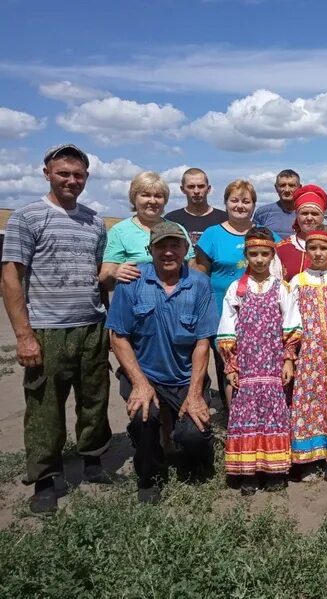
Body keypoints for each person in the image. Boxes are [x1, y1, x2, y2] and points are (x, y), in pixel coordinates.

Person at [1, 143, 111, 514]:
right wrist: (24, 335)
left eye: (78, 175)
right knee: (45, 406)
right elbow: (11, 278)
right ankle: (46, 477)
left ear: (86, 178)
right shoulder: (27, 217)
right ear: (46, 172)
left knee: (94, 399)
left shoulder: (94, 221)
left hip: (91, 325)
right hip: (47, 329)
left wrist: (108, 323)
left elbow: (98, 277)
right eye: (63, 173)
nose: (71, 180)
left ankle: (93, 457)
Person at [105, 222, 218, 504]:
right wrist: (140, 384)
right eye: (161, 246)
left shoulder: (200, 284)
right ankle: (149, 475)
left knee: (193, 436)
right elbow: (118, 337)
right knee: (145, 416)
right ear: (149, 249)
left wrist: (194, 394)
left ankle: (192, 456)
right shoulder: (131, 282)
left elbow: (202, 342)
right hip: (145, 373)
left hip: (184, 377)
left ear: (185, 249)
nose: (168, 252)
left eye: (174, 245)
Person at [216, 228, 302, 494]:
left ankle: (274, 470)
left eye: (265, 253)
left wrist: (288, 360)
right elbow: (227, 328)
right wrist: (231, 365)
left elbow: (292, 325)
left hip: (273, 364)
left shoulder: (282, 288)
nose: (260, 259)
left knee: (274, 414)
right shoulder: (236, 288)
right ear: (246, 255)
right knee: (247, 415)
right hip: (248, 364)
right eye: (254, 254)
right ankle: (249, 471)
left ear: (272, 254)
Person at [195, 179, 279, 407]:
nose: (240, 205)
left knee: (261, 368)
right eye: (234, 200)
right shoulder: (212, 234)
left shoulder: (266, 234)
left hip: (262, 318)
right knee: (229, 368)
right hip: (223, 312)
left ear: (253, 205)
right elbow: (201, 273)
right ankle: (233, 418)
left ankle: (261, 419)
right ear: (225, 203)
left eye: (246, 201)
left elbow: (280, 269)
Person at [286, 225, 327, 481]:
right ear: (307, 249)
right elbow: (290, 321)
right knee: (305, 403)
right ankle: (305, 458)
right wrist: (291, 353)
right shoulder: (297, 281)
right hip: (307, 355)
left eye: (323, 247)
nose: (317, 252)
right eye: (312, 247)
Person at [100, 171, 195, 287]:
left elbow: (192, 265)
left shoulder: (177, 229)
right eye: (145, 195)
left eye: (158, 196)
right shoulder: (119, 231)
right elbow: (105, 275)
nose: (152, 201)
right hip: (136, 299)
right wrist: (115, 272)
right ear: (134, 197)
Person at [275, 184, 327, 281]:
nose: (309, 218)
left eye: (314, 214)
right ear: (297, 215)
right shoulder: (282, 248)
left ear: (322, 217)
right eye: (304, 213)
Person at [165, 168, 227, 246]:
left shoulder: (224, 219)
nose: (196, 191)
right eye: (191, 187)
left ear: (208, 189)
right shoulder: (171, 220)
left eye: (201, 186)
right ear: (182, 189)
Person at [252, 169, 301, 240]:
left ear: (299, 188)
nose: (287, 190)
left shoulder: (307, 213)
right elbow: (253, 239)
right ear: (276, 187)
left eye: (291, 185)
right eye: (282, 185)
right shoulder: (262, 213)